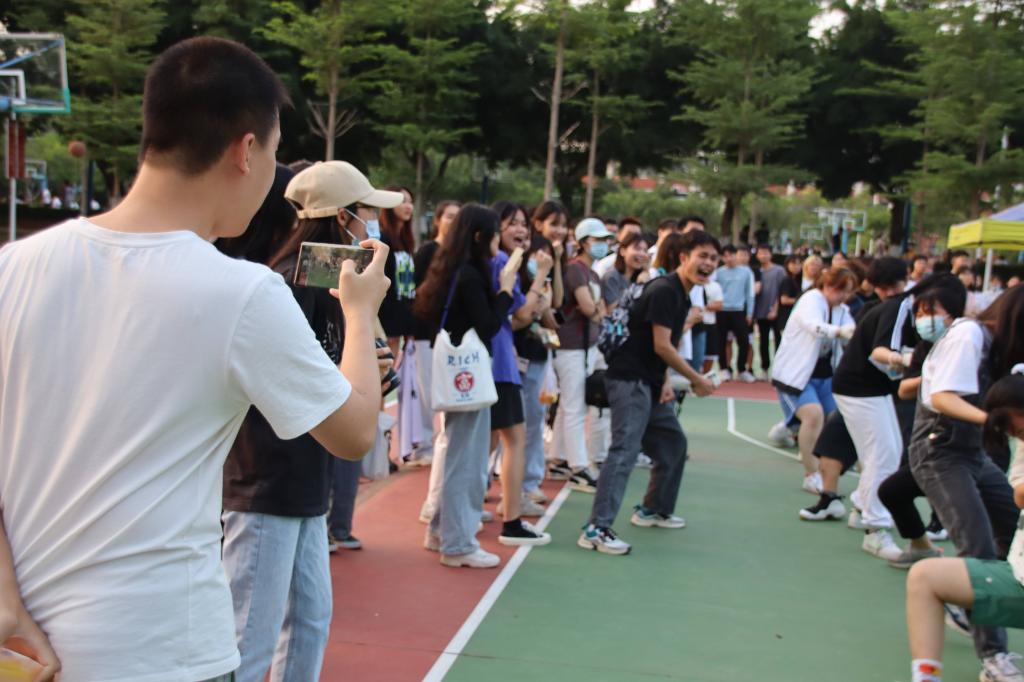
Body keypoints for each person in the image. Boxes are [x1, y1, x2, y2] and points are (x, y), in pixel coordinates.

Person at [0, 37, 388, 681]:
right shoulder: (242, 293)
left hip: (25, 650)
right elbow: (354, 431)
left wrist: (6, 600)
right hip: (164, 650)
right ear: (245, 150)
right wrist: (359, 312)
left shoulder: (14, 267)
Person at [220, 160, 401, 682]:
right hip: (267, 482)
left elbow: (336, 381)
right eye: (367, 212)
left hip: (303, 481)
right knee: (247, 643)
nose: (374, 225)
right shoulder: (282, 287)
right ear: (343, 217)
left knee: (309, 622)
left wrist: (366, 361)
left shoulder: (335, 289)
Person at [908, 284, 1024, 681]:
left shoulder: (996, 349)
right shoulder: (969, 334)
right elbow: (942, 397)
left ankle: (964, 600)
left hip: (972, 453)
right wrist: (994, 422)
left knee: (1011, 521)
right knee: (977, 548)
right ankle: (993, 657)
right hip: (940, 451)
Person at [579, 231, 718, 555]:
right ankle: (596, 529)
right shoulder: (666, 291)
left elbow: (656, 344)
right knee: (624, 452)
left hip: (649, 381)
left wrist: (665, 380)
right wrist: (696, 379)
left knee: (673, 442)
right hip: (630, 382)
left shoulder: (681, 294)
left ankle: (653, 509)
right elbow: (662, 345)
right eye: (702, 256)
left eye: (713, 258)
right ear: (683, 258)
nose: (708, 263)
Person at [415, 204, 519, 568]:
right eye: (495, 235)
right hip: (469, 378)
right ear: (480, 237)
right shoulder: (470, 275)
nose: (498, 242)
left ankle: (441, 531)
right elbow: (488, 324)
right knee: (466, 461)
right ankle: (457, 544)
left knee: (456, 456)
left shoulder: (452, 268)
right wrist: (506, 290)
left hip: (459, 376)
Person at [800, 258, 910, 560]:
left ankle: (862, 507)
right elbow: (880, 352)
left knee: (888, 451)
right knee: (881, 455)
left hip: (865, 387)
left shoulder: (878, 306)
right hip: (860, 388)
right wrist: (906, 361)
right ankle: (875, 529)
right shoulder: (897, 307)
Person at [490, 201, 553, 535]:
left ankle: (461, 513)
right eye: (512, 223)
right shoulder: (502, 262)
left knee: (487, 443)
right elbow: (521, 315)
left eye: (523, 224)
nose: (520, 229)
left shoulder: (503, 261)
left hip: (500, 360)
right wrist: (540, 276)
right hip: (499, 362)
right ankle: (510, 519)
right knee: (513, 438)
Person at [770, 267, 858, 495]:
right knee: (813, 415)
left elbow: (852, 332)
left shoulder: (842, 310)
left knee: (838, 418)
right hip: (795, 376)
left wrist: (852, 335)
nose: (844, 296)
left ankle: (788, 428)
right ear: (827, 285)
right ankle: (811, 475)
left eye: (848, 292)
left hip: (825, 376)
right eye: (841, 290)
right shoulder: (810, 300)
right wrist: (839, 331)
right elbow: (814, 327)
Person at [549, 218, 612, 491]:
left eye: (605, 240)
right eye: (598, 240)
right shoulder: (575, 270)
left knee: (569, 405)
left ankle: (558, 458)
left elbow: (599, 308)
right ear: (584, 242)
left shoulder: (592, 273)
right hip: (571, 346)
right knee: (575, 407)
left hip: (585, 345)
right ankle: (578, 467)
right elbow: (590, 308)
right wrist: (597, 310)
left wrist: (597, 310)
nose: (603, 244)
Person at [416, 201, 461, 523]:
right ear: (438, 221)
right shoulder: (428, 251)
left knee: (443, 408)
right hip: (429, 337)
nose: (454, 222)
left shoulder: (460, 256)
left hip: (449, 342)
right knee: (430, 399)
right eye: (449, 216)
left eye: (458, 217)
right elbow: (416, 292)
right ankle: (423, 447)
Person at [515, 234, 560, 506]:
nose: (542, 260)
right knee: (506, 427)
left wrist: (553, 272)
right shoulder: (516, 278)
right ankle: (492, 480)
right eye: (537, 254)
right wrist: (534, 310)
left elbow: (553, 317)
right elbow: (518, 319)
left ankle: (529, 482)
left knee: (534, 422)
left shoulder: (546, 282)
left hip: (538, 357)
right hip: (514, 357)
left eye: (547, 256)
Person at [715, 244, 755, 382]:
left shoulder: (746, 272)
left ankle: (741, 369)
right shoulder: (718, 273)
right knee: (721, 341)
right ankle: (723, 369)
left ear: (735, 255)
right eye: (725, 256)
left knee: (744, 341)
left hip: (739, 311)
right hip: (722, 311)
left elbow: (750, 293)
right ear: (722, 258)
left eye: (731, 255)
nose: (729, 258)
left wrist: (749, 312)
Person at [754, 244, 787, 378]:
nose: (763, 255)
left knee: (779, 342)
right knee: (763, 342)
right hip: (760, 312)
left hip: (776, 313)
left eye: (766, 253)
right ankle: (764, 368)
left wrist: (775, 309)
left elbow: (782, 291)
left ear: (771, 254)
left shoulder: (779, 270)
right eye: (760, 253)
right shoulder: (756, 272)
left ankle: (779, 370)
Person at [778, 255, 803, 330]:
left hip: (798, 316)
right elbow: (784, 300)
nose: (796, 266)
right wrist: (803, 301)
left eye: (799, 263)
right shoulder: (787, 280)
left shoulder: (800, 280)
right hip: (787, 317)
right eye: (793, 263)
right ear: (787, 265)